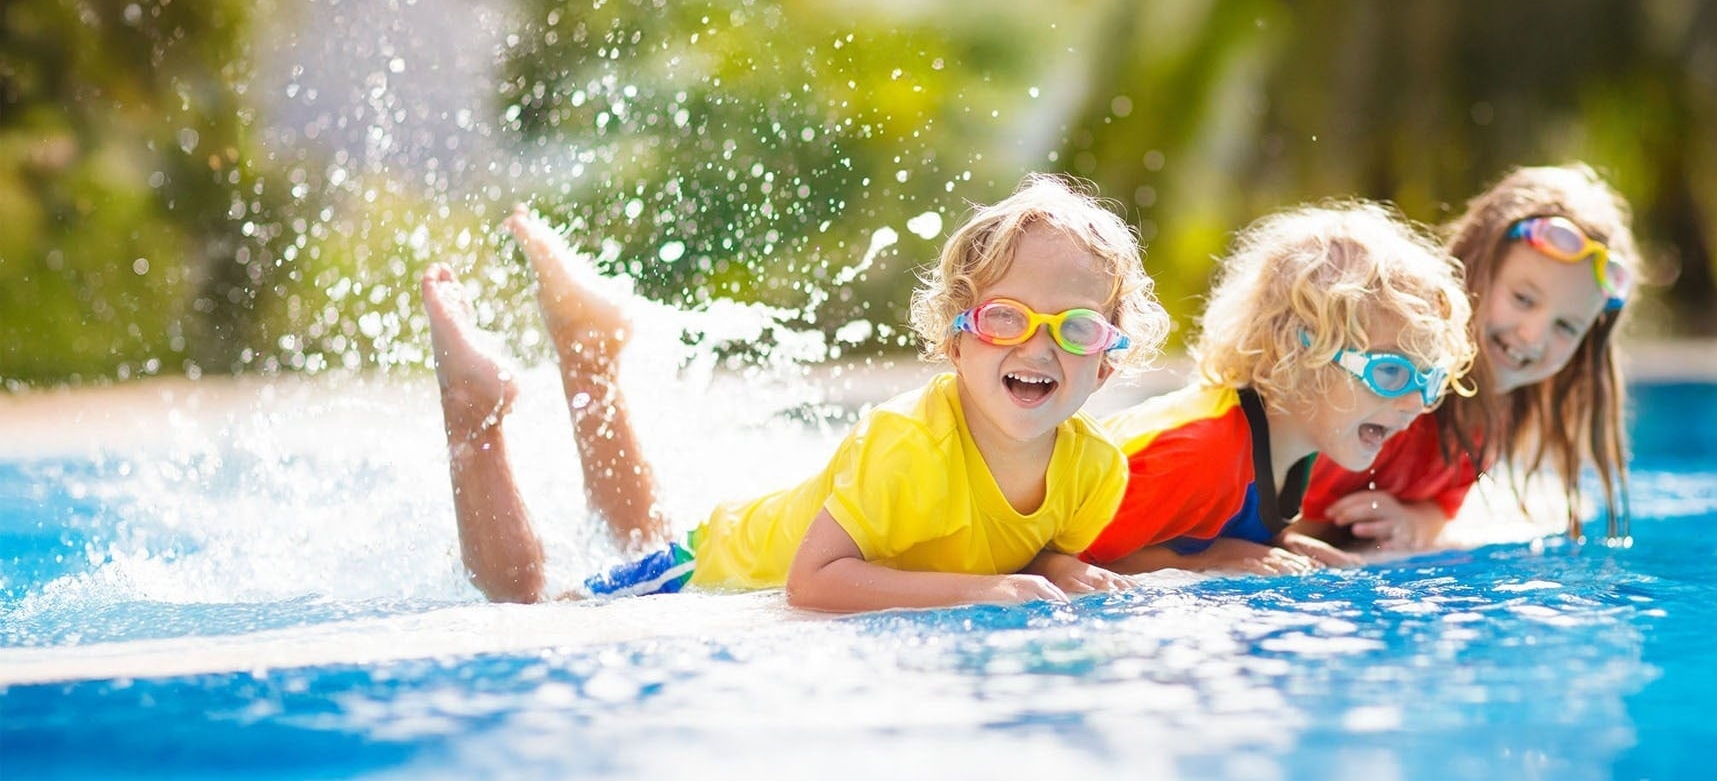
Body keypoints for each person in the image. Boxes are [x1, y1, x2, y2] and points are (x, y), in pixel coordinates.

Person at [422, 174, 1171, 612]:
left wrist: (1054, 568)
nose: (1037, 345)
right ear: (956, 340)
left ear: (1107, 361)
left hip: (742, 548)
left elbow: (1027, 551)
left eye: (1075, 328)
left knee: (636, 530)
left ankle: (591, 355)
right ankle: (475, 414)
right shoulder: (910, 445)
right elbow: (812, 584)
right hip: (714, 566)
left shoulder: (1096, 471)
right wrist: (981, 591)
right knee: (532, 607)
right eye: (1006, 317)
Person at [1078, 202, 1478, 575]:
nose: (1417, 403)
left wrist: (1281, 543)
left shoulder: (1292, 447)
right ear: (1299, 353)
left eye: (1430, 380)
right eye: (1391, 372)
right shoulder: (1201, 451)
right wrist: (1211, 559)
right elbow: (1073, 558)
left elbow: (1209, 526)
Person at [1290, 164, 1641, 555]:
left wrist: (1413, 522)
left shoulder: (1489, 415)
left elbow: (1443, 506)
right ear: (1470, 268)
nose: (1534, 335)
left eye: (1566, 327)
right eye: (1523, 299)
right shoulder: (1387, 378)